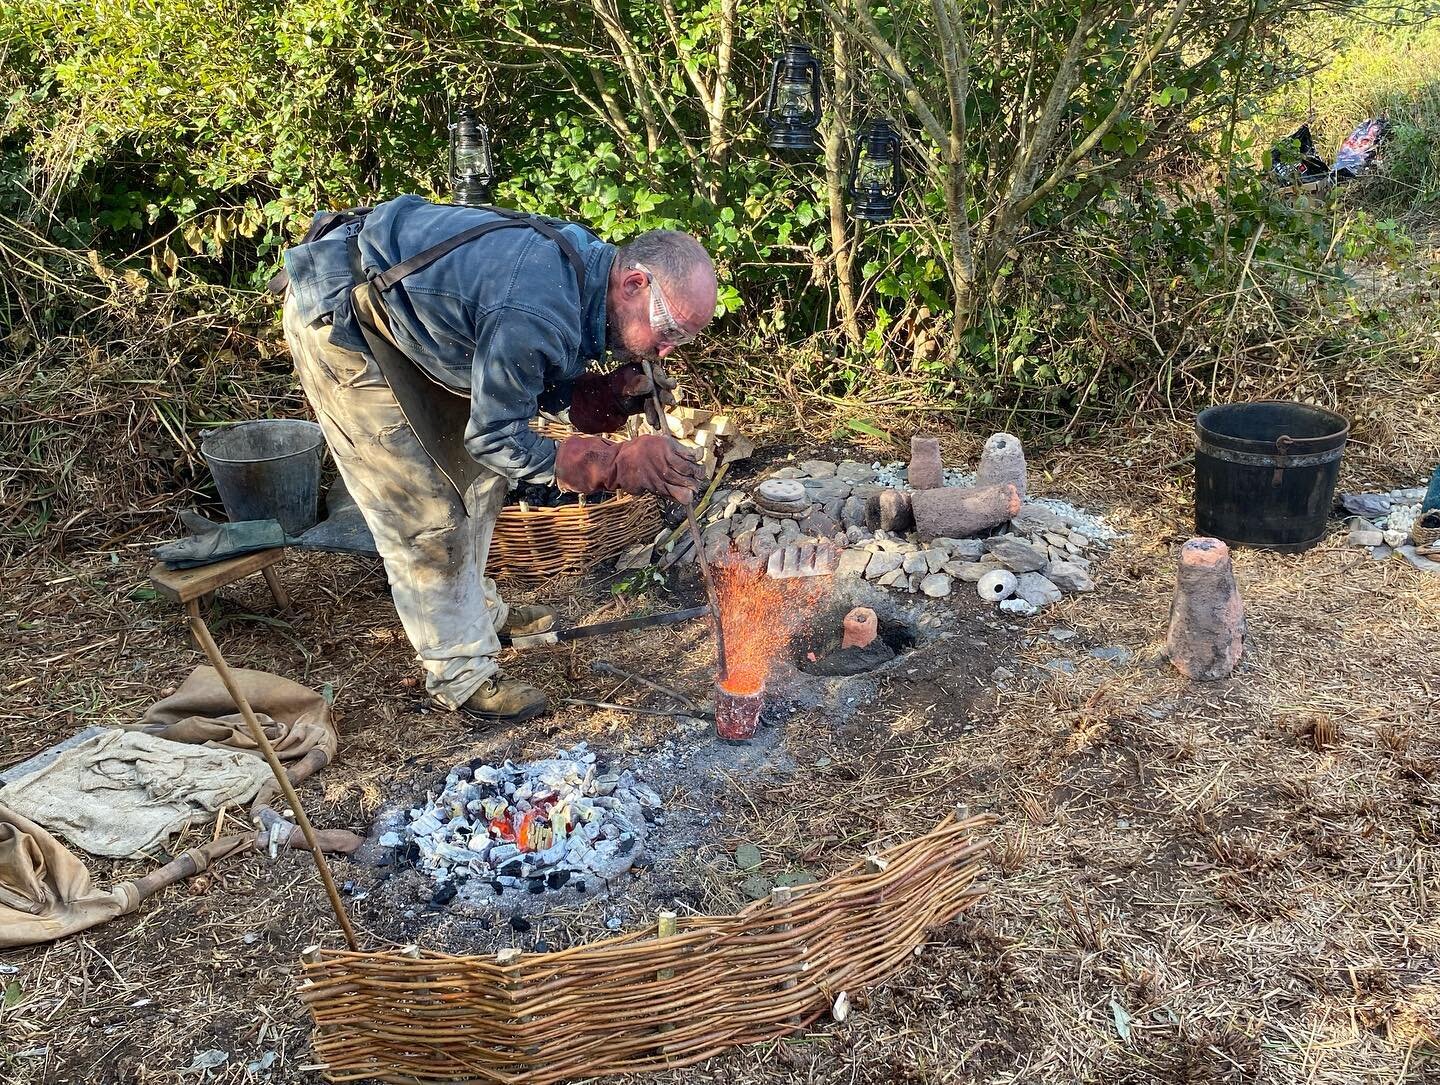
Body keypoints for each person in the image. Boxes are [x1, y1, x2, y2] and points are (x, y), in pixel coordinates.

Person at [279, 195, 716, 722]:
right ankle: (460, 672)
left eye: (680, 339)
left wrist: (605, 393)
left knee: (483, 481)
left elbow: (527, 375)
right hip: (346, 322)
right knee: (425, 512)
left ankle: (477, 613)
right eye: (668, 331)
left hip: (421, 322)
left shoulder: (587, 271)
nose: (666, 350)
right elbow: (495, 434)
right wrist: (615, 464)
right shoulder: (532, 305)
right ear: (635, 284)